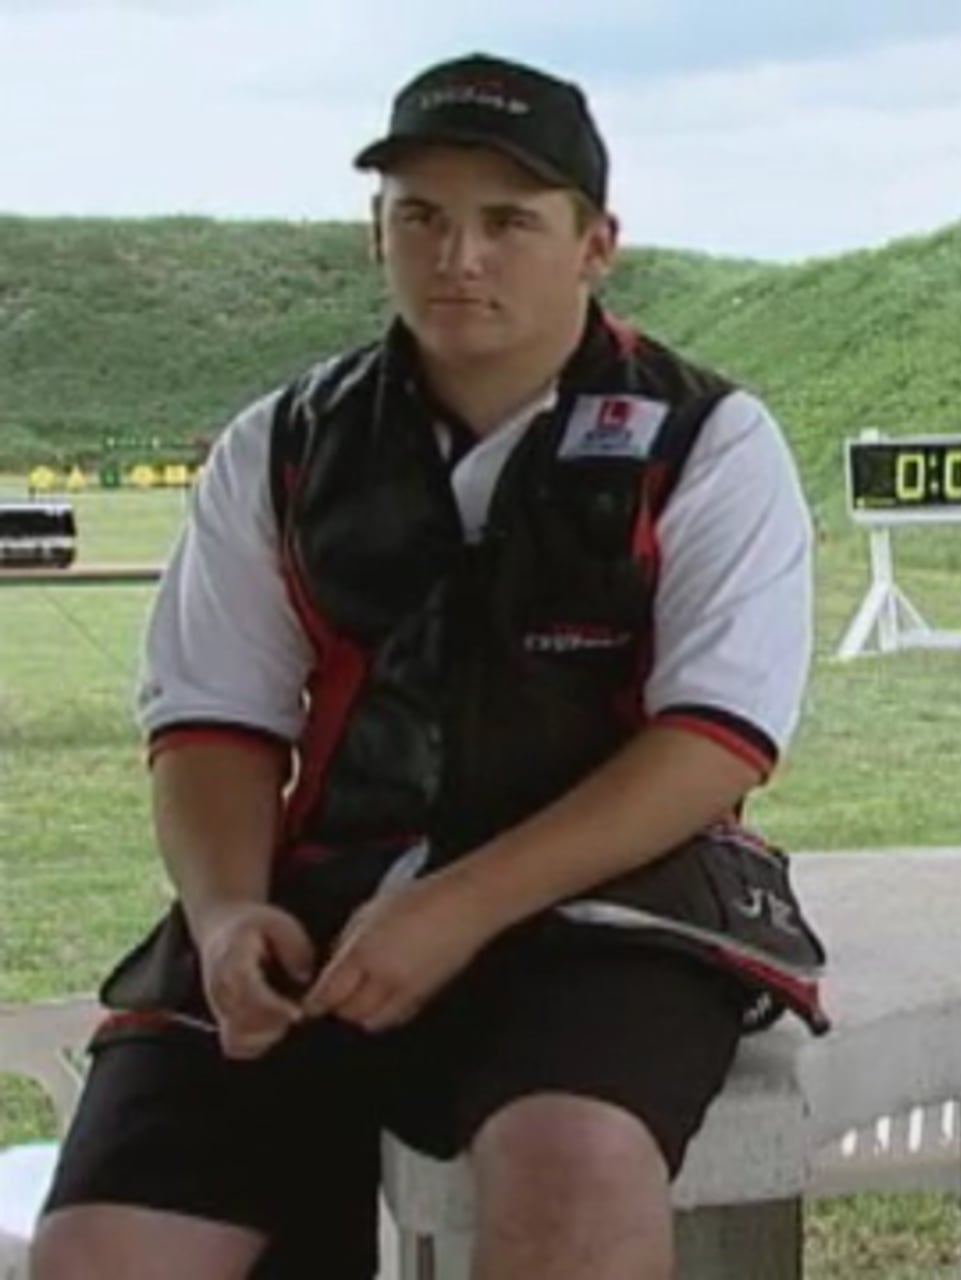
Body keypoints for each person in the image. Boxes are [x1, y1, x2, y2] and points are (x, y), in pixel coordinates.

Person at [32, 51, 825, 1280]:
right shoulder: (283, 442)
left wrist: (459, 904)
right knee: (100, 1250)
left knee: (576, 1171)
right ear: (375, 233)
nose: (460, 256)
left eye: (509, 220)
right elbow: (213, 721)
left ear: (595, 243)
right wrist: (228, 908)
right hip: (321, 892)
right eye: (423, 217)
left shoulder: (709, 440)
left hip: (611, 905)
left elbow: (713, 739)